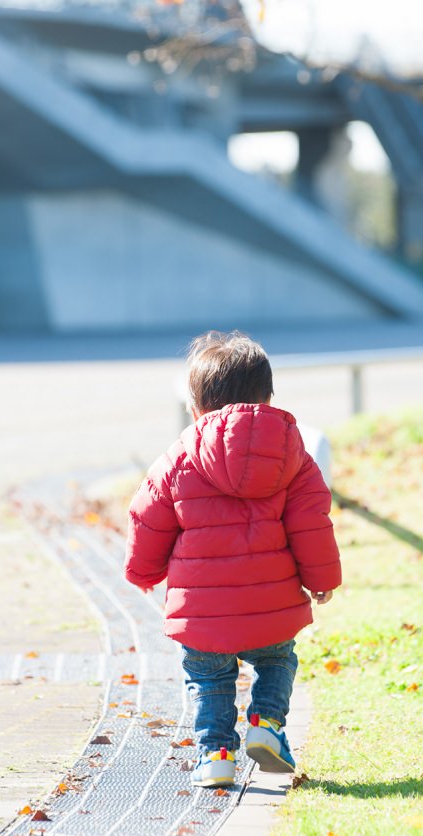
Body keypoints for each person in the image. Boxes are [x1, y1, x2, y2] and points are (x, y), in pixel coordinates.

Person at [124, 331, 341, 788]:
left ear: (197, 407)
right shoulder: (295, 457)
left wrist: (144, 573)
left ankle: (216, 754)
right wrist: (321, 580)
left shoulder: (177, 459)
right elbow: (311, 524)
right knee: (278, 660)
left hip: (202, 612)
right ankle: (267, 724)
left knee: (208, 678)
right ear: (266, 397)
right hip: (272, 606)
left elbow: (148, 519)